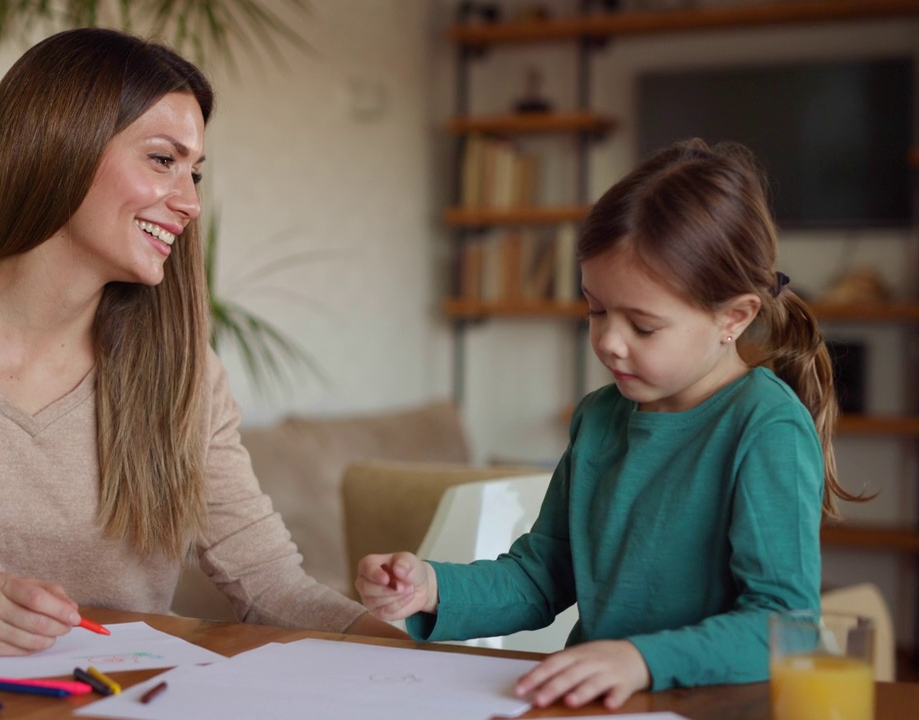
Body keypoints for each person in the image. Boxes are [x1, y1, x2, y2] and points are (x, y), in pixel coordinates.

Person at [0, 27, 404, 655]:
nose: (189, 202)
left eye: (195, 173)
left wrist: (429, 668)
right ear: (62, 146)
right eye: (164, 160)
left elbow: (273, 587)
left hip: (127, 697)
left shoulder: (182, 369)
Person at [356, 139, 865, 709]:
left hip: (714, 705)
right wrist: (433, 588)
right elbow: (542, 576)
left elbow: (780, 626)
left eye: (643, 326)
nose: (608, 342)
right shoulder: (599, 418)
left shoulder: (766, 428)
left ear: (734, 317)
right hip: (605, 706)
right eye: (595, 310)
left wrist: (640, 659)